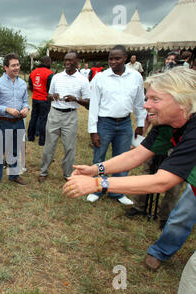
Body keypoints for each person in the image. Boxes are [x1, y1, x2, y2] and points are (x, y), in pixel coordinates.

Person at [63, 67, 196, 271]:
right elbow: (136, 155)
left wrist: (97, 184)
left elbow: (162, 181)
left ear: (183, 101)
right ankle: (161, 252)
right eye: (147, 98)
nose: (145, 105)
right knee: (182, 217)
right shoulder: (166, 123)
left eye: (155, 99)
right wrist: (94, 170)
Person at [86, 45, 147, 205]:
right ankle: (97, 188)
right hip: (104, 123)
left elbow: (140, 103)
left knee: (123, 158)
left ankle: (117, 192)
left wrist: (140, 123)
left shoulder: (136, 77)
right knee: (100, 157)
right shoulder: (100, 77)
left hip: (125, 123)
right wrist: (93, 130)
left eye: (117, 58)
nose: (113, 61)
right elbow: (94, 106)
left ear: (125, 58)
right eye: (110, 58)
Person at [38, 51, 90, 182]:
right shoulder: (56, 77)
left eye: (70, 60)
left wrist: (76, 99)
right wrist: (52, 96)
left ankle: (67, 174)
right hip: (55, 113)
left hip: (70, 115)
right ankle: (43, 172)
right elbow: (48, 96)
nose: (67, 63)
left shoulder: (83, 80)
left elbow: (88, 102)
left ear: (77, 62)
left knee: (69, 147)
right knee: (49, 145)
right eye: (65, 60)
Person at [0, 53, 29, 187]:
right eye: (13, 65)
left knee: (16, 149)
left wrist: (26, 109)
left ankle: (14, 174)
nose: (17, 68)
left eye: (18, 65)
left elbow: (25, 102)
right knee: (0, 150)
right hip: (3, 121)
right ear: (6, 67)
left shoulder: (22, 83)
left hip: (19, 121)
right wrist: (7, 109)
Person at [27, 56, 53, 146]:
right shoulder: (49, 73)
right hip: (44, 99)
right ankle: (42, 141)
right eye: (50, 62)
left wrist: (36, 91)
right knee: (43, 119)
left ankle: (30, 137)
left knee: (33, 117)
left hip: (35, 98)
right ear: (47, 62)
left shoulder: (33, 72)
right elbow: (51, 88)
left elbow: (30, 86)